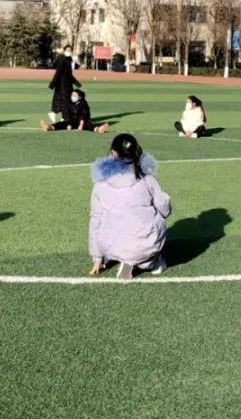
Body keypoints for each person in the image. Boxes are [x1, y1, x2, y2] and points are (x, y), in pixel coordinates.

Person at [88, 133, 171, 280]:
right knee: (157, 216)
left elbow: (95, 220)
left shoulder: (100, 185)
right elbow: (165, 210)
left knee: (102, 218)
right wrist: (164, 197)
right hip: (146, 242)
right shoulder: (147, 179)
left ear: (113, 152)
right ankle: (150, 262)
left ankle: (127, 258)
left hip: (114, 245)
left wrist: (97, 257)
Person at [40, 89, 108, 134]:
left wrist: (81, 125)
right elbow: (66, 114)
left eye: (75, 95)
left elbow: (83, 115)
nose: (73, 97)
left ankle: (99, 130)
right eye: (72, 95)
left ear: (80, 97)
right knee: (60, 124)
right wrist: (69, 124)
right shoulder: (68, 102)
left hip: (82, 121)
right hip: (71, 121)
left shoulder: (84, 103)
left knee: (89, 126)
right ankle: (48, 127)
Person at [47, 44, 80, 124]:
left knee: (68, 101)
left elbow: (69, 73)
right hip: (61, 84)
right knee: (63, 101)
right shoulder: (62, 59)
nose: (69, 52)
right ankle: (54, 113)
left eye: (70, 50)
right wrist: (53, 83)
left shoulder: (69, 59)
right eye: (67, 50)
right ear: (64, 50)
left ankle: (64, 117)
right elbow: (58, 72)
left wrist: (77, 83)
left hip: (68, 84)